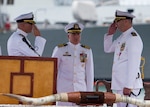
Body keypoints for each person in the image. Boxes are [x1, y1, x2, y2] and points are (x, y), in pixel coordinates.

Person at [104, 10, 143, 107]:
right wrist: (110, 34)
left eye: (118, 21)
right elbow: (108, 49)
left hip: (128, 86)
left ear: (126, 21)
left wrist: (129, 85)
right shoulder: (122, 37)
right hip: (120, 84)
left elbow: (133, 64)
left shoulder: (133, 38)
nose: (116, 24)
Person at [52, 22, 94, 106]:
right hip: (64, 89)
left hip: (80, 89)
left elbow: (89, 73)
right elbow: (53, 70)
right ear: (68, 36)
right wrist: (53, 89)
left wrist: (89, 92)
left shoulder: (86, 50)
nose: (76, 36)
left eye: (78, 34)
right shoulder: (60, 49)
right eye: (73, 34)